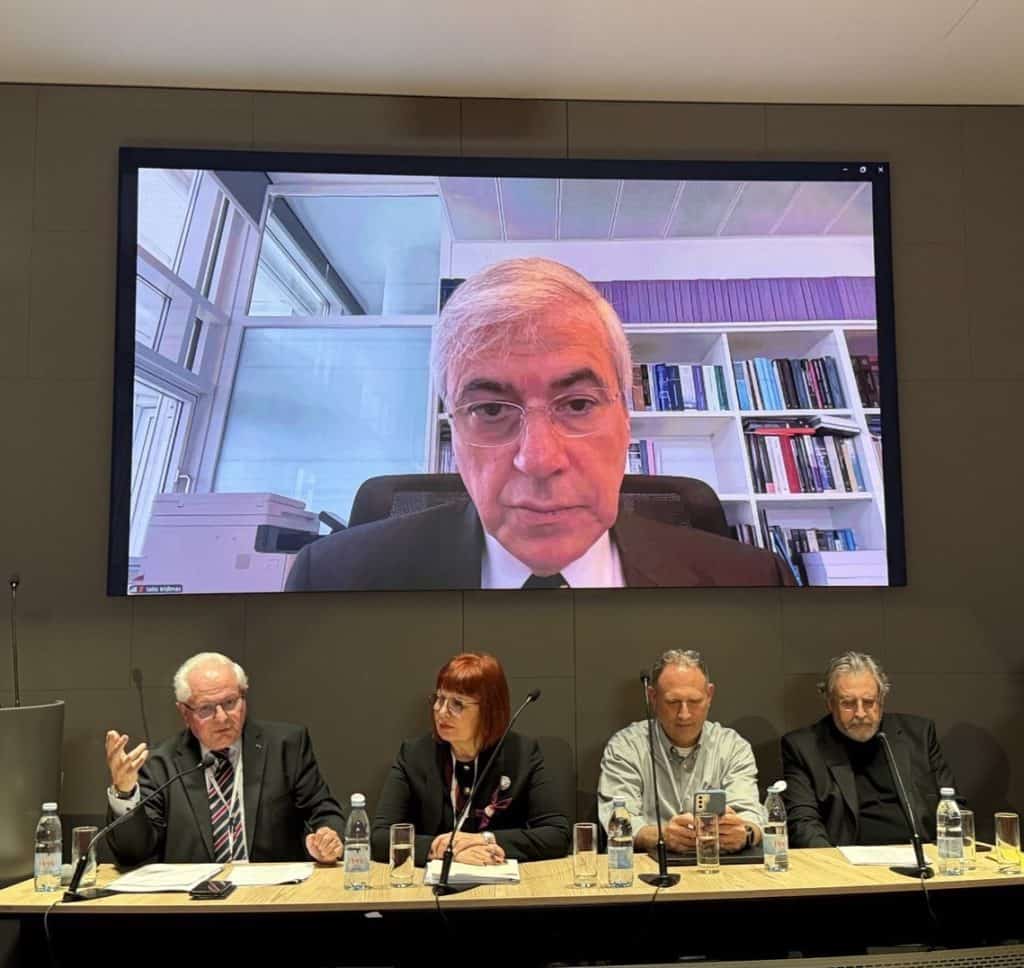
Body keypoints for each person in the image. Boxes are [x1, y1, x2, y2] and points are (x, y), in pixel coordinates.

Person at [285, 257, 796, 591]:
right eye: (491, 410)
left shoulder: (754, 583)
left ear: (626, 418)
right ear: (454, 432)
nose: (539, 459)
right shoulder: (331, 582)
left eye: (577, 404)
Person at [104, 651, 345, 867]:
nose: (222, 718)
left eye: (230, 703)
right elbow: (132, 854)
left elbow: (323, 811)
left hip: (273, 896)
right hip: (193, 900)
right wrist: (125, 793)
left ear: (243, 698)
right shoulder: (160, 764)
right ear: (184, 713)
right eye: (206, 708)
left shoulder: (286, 747)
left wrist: (327, 837)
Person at [371, 652, 570, 866]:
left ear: (488, 710)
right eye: (439, 699)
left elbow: (556, 835)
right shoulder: (414, 755)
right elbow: (380, 838)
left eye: (457, 703)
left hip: (501, 879)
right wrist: (442, 849)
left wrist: (484, 840)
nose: (441, 711)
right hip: (431, 882)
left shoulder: (522, 754)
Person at [781, 651, 959, 848]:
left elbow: (953, 806)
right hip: (846, 860)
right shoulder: (804, 747)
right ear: (830, 704)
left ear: (881, 700)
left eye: (868, 702)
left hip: (921, 855)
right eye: (848, 703)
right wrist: (833, 863)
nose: (860, 713)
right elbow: (803, 824)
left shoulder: (918, 735)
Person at [598, 649, 763, 854]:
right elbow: (618, 821)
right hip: (649, 865)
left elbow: (750, 814)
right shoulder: (626, 747)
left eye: (694, 701)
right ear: (653, 697)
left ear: (709, 695)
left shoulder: (732, 747)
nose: (684, 714)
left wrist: (744, 833)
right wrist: (661, 836)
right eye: (673, 702)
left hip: (716, 863)